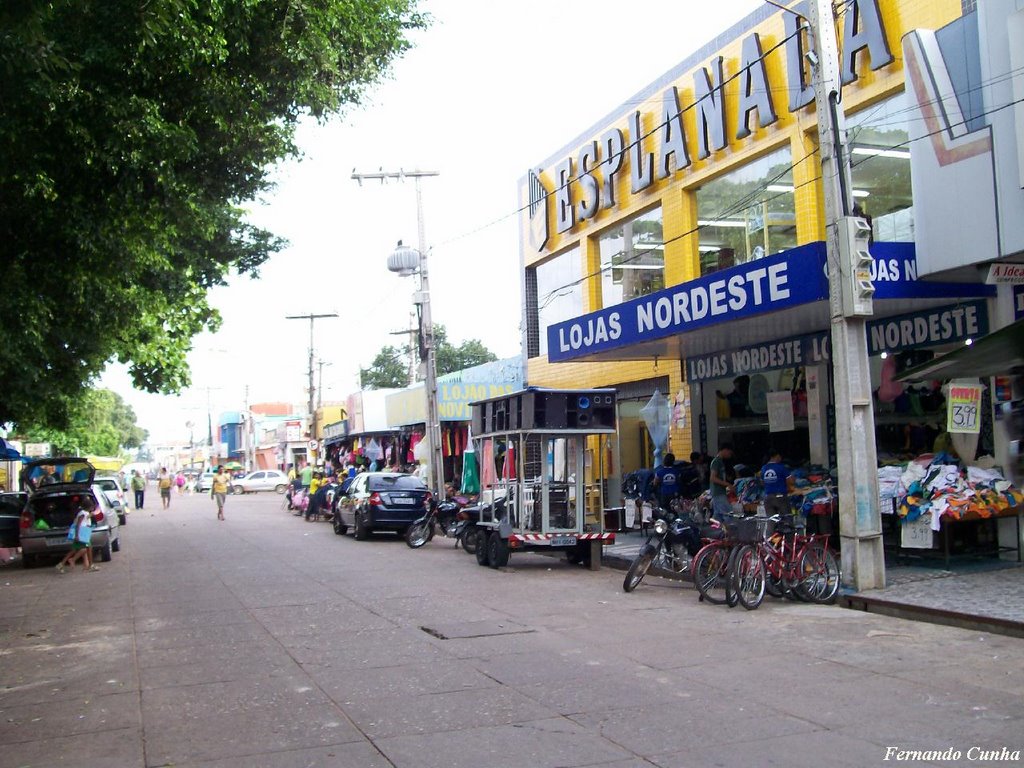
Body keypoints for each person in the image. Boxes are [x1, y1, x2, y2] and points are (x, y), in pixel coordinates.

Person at [56, 496, 99, 573]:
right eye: (92, 507)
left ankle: (61, 564)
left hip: (83, 532)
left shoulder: (85, 513)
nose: (93, 508)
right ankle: (81, 562)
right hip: (81, 533)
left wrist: (91, 515)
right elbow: (78, 524)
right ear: (89, 507)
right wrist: (77, 535)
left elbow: (85, 520)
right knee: (85, 548)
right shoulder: (82, 513)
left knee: (75, 549)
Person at [760, 448, 795, 520]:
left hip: (768, 497)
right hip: (780, 497)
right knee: (787, 519)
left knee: (771, 521)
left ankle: (771, 531)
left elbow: (762, 483)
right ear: (777, 456)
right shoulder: (781, 467)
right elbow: (791, 481)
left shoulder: (763, 468)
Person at [709, 443, 735, 520]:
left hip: (720, 492)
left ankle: (718, 530)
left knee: (718, 516)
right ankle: (731, 531)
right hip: (718, 492)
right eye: (729, 453)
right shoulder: (716, 462)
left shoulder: (721, 462)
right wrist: (728, 484)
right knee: (728, 513)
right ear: (725, 450)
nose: (730, 455)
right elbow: (713, 478)